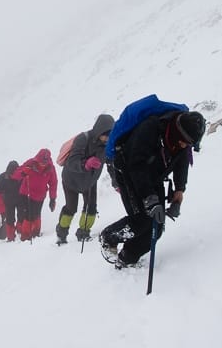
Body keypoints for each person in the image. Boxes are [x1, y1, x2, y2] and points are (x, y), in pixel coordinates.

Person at [100, 109, 206, 268]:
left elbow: (181, 164)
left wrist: (179, 191)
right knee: (143, 219)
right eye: (185, 141)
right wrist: (150, 198)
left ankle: (127, 257)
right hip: (129, 173)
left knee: (157, 225)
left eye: (188, 144)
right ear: (179, 131)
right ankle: (109, 237)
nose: (185, 145)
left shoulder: (182, 141)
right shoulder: (150, 129)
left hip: (154, 176)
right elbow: (136, 166)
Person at [55, 114, 115, 244]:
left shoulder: (108, 145)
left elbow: (111, 164)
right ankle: (61, 233)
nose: (107, 138)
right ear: (99, 130)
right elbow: (71, 161)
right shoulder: (83, 139)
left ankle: (83, 232)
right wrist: (85, 164)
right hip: (71, 180)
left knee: (91, 208)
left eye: (110, 135)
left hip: (90, 181)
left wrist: (116, 183)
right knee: (71, 208)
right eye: (105, 134)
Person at [12, 149, 58, 241]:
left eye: (45, 162)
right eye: (41, 162)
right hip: (26, 193)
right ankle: (25, 236)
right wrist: (23, 172)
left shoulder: (51, 168)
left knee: (36, 214)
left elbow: (53, 183)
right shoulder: (30, 163)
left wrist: (52, 199)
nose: (43, 164)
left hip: (40, 196)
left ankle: (35, 234)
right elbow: (15, 175)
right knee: (28, 215)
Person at [0, 160, 21, 241]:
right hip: (20, 199)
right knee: (21, 216)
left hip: (8, 200)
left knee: (10, 219)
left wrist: (0, 192)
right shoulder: (21, 175)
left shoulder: (3, 176)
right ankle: (21, 233)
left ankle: (11, 237)